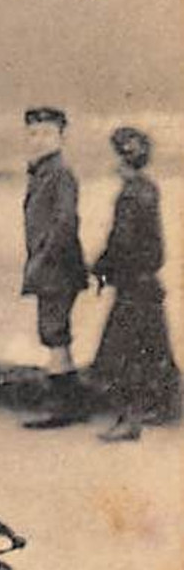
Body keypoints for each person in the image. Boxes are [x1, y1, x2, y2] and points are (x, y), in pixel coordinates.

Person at [88, 127, 181, 441]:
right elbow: (155, 247)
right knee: (156, 350)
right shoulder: (149, 188)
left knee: (122, 355)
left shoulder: (129, 195)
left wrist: (100, 268)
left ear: (122, 160)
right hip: (149, 284)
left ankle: (130, 421)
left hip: (132, 287)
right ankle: (167, 409)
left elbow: (122, 243)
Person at [20, 106, 90, 429]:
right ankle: (70, 404)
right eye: (33, 133)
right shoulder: (43, 170)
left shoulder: (60, 172)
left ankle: (64, 408)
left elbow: (65, 222)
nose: (38, 140)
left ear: (61, 137)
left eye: (46, 133)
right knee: (54, 333)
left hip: (56, 268)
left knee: (54, 334)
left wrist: (43, 259)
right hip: (50, 266)